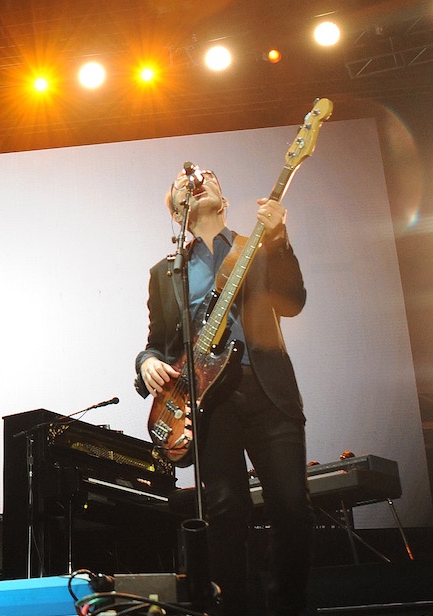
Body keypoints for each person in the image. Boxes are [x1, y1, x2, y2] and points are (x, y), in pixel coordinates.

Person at [135, 166, 312, 616]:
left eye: (207, 176)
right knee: (226, 512)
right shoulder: (164, 273)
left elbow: (291, 303)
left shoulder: (254, 246)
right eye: (182, 183)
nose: (196, 182)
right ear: (177, 211)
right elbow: (159, 343)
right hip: (209, 405)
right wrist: (148, 363)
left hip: (268, 392)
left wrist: (279, 238)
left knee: (291, 507)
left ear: (224, 198)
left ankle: (288, 608)